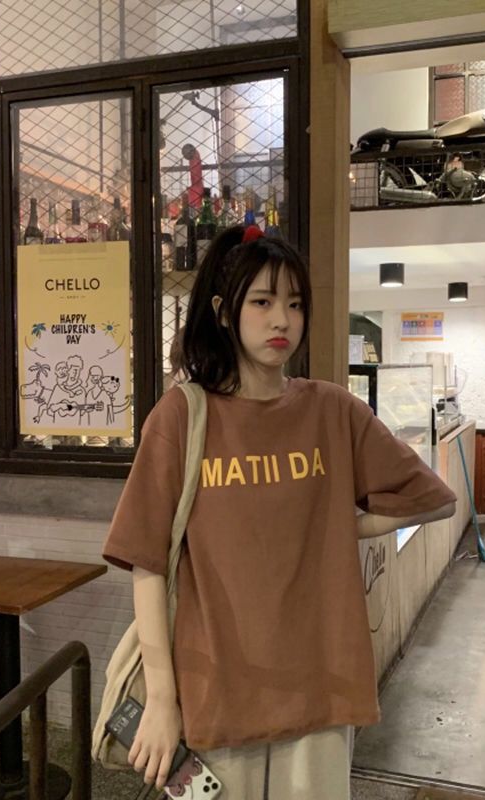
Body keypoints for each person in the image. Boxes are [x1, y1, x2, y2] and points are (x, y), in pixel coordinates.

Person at [102, 225, 457, 799]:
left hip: (320, 685)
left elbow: (433, 499)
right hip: (215, 690)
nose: (282, 320)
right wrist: (162, 700)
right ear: (224, 312)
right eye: (263, 302)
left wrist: (337, 526)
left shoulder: (332, 410)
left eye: (294, 304)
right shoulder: (181, 417)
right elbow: (147, 563)